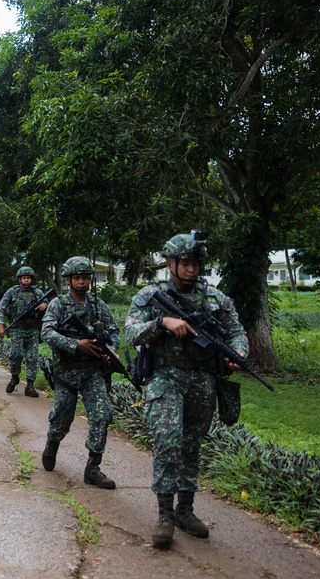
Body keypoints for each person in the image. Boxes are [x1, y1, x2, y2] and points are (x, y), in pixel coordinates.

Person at [124, 232, 248, 550]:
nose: (192, 269)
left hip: (203, 380)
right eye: (186, 263)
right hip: (165, 377)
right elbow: (131, 333)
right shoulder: (150, 296)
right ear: (171, 263)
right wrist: (161, 323)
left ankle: (185, 510)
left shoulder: (216, 299)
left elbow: (236, 332)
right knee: (168, 442)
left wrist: (238, 354)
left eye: (196, 263)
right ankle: (164, 516)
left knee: (192, 446)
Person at [39, 257, 118, 490]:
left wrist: (110, 351)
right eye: (77, 278)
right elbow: (47, 333)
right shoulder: (58, 305)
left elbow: (113, 331)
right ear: (69, 280)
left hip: (93, 373)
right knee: (61, 421)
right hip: (66, 373)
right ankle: (52, 443)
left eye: (85, 277)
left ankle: (93, 469)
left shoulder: (98, 305)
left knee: (102, 417)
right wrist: (75, 344)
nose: (82, 281)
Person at [0, 266, 48, 397]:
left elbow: (49, 307)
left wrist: (44, 307)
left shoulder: (38, 293)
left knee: (32, 358)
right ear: (20, 279)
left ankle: (30, 386)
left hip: (33, 330)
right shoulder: (12, 292)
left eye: (28, 278)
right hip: (16, 329)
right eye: (24, 278)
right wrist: (0, 325)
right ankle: (15, 376)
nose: (26, 280)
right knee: (16, 355)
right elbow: (1, 308)